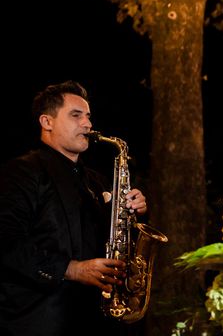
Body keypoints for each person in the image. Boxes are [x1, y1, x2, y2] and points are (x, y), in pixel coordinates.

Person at [0, 81, 148, 335]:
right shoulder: (22, 171)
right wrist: (73, 269)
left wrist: (134, 212)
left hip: (94, 318)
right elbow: (6, 243)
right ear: (47, 122)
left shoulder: (96, 181)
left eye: (88, 117)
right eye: (76, 115)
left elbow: (118, 241)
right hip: (38, 320)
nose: (88, 124)